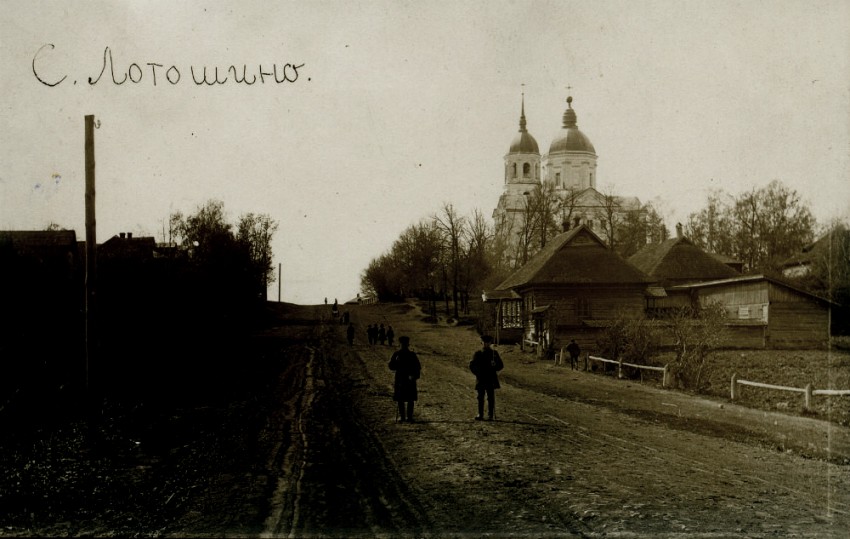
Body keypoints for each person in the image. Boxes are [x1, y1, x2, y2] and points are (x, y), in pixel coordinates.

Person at [469, 334, 504, 421]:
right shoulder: (478, 354)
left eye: (488, 343)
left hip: (490, 378)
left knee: (491, 397)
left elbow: (501, 365)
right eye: (484, 342)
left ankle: (490, 415)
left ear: (490, 343)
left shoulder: (494, 354)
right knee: (480, 397)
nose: (486, 344)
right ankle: (480, 414)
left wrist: (495, 365)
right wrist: (477, 373)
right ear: (482, 343)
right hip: (481, 378)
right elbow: (472, 365)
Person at [388, 336, 421, 423]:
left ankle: (409, 417)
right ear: (400, 344)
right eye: (403, 344)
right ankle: (403, 417)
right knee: (401, 399)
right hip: (401, 379)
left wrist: (414, 375)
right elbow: (391, 366)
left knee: (409, 399)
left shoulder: (411, 355)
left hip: (408, 379)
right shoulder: (397, 354)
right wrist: (396, 362)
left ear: (407, 345)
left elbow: (418, 367)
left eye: (405, 344)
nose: (404, 346)